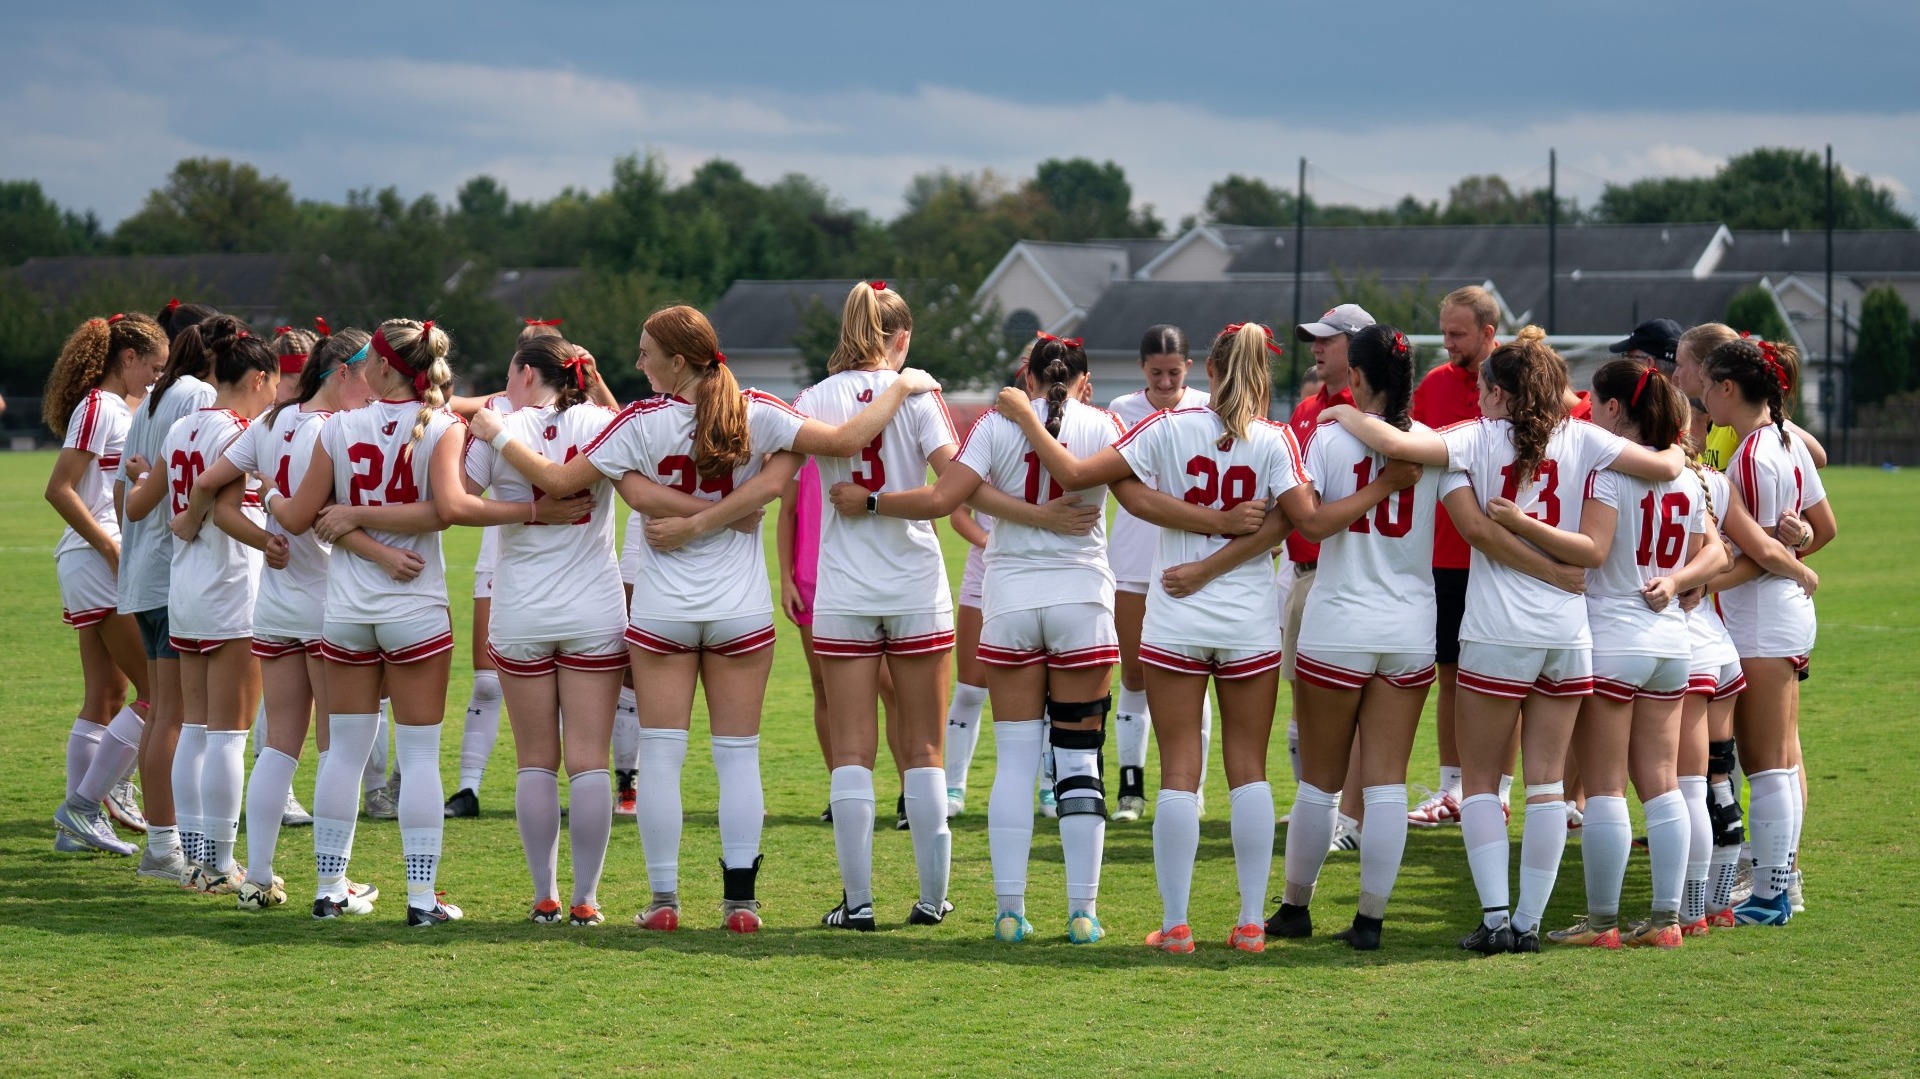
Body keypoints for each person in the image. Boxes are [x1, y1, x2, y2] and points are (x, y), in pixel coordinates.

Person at [472, 300, 944, 931]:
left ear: (677, 360)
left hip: (664, 613)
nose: (637, 362)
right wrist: (904, 384)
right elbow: (845, 441)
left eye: (645, 352)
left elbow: (562, 484)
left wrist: (497, 432)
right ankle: (740, 904)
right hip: (739, 612)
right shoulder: (758, 411)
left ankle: (664, 902)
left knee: (662, 758)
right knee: (738, 757)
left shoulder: (639, 422)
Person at [998, 322, 1395, 954]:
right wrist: (1223, 537)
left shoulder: (1167, 427)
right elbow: (1299, 522)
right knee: (1249, 772)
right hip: (1246, 622)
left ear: (1205, 372)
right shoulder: (1275, 440)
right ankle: (1246, 923)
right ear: (1260, 375)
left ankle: (1178, 923)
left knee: (1179, 771)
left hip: (1177, 613)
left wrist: (1023, 414)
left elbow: (1079, 475)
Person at [1320, 325, 1688, 954]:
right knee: (1547, 784)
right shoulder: (1588, 439)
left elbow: (1390, 439)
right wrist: (1680, 456)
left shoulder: (1475, 437)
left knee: (1484, 783)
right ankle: (1529, 922)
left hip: (1498, 633)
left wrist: (1337, 411)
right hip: (1568, 634)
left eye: (1485, 390)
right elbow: (1665, 462)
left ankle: (1496, 917)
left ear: (1494, 393)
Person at [835, 332, 1166, 943]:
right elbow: (1145, 503)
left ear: (1029, 378)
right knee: (1078, 761)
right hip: (1080, 603)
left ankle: (1009, 910)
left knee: (1014, 762)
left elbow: (941, 499)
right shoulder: (1106, 425)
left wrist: (873, 501)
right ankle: (1083, 912)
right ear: (1085, 382)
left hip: (1009, 602)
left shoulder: (995, 425)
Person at [1481, 361, 1728, 949]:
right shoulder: (1688, 477)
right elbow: (1711, 556)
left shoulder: (1610, 472)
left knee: (1608, 787)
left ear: (1620, 409)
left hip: (1614, 638)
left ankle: (1602, 923)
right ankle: (1668, 920)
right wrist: (1674, 582)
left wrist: (1521, 523)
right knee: (1664, 784)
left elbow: (1592, 550)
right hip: (1671, 640)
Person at [276, 318, 477, 926]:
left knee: (342, 756)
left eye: (367, 359)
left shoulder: (336, 427)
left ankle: (329, 889)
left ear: (385, 368)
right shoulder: (443, 425)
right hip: (415, 609)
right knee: (418, 759)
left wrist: (266, 495)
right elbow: (445, 512)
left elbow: (303, 516)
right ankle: (420, 900)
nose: (359, 366)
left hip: (347, 614)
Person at [185, 325, 386, 909]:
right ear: (342, 372)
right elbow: (323, 516)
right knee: (337, 749)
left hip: (274, 605)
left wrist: (262, 537)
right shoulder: (341, 430)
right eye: (369, 373)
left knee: (280, 747)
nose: (376, 386)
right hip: (332, 607)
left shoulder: (271, 421)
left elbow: (211, 490)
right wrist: (276, 515)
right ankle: (332, 882)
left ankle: (258, 877)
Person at [795, 281, 964, 931]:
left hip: (844, 588)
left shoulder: (816, 397)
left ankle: (858, 903)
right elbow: (951, 490)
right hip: (916, 584)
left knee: (852, 750)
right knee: (924, 748)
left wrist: (862, 501)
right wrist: (886, 500)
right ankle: (931, 898)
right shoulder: (922, 393)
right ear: (901, 339)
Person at [1270, 325, 1438, 951]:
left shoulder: (1330, 437)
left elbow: (1307, 522)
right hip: (1410, 628)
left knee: (1320, 782)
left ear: (1358, 378)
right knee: (1388, 783)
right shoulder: (1431, 444)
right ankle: (1370, 920)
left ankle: (1296, 907)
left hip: (1339, 620)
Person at [127, 322, 285, 895]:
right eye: (276, 382)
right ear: (260, 378)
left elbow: (164, 507)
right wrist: (271, 536)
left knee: (194, 728)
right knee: (229, 735)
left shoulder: (183, 426)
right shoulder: (246, 431)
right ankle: (219, 864)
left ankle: (197, 861)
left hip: (186, 589)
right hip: (233, 588)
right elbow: (226, 511)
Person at [1705, 336, 1835, 926]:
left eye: (1708, 385)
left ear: (1728, 389)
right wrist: (1796, 543)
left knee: (1766, 764)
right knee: (1777, 760)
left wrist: (1697, 584)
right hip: (1781, 611)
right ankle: (1779, 889)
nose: (1703, 396)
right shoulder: (1786, 438)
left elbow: (1755, 554)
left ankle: (1773, 894)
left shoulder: (1754, 455)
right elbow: (1819, 527)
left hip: (1761, 615)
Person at [44, 313, 168, 857]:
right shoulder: (98, 407)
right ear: (128, 358)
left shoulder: (119, 408)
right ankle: (85, 806)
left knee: (105, 696)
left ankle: (75, 830)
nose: (156, 378)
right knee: (159, 693)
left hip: (95, 564)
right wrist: (111, 547)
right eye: (153, 367)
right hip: (99, 564)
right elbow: (60, 489)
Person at [116, 301, 220, 881]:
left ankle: (162, 843)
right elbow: (195, 480)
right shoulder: (198, 399)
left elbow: (129, 486)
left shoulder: (155, 396)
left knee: (164, 714)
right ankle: (166, 847)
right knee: (178, 718)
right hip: (173, 574)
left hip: (144, 575)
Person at [1408, 286, 1509, 828]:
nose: (1447, 345)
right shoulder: (1434, 386)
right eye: (1444, 333)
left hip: (1509, 559)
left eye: (1457, 335)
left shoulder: (1521, 381)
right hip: (1446, 555)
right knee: (1450, 676)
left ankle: (1502, 789)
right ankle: (1452, 788)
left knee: (1508, 677)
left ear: (1489, 334)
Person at [1105, 325, 1211, 823]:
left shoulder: (1208, 406)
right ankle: (1131, 787)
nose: (1165, 383)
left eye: (1173, 372)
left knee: (1195, 677)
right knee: (1135, 675)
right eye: (1156, 373)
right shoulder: (1122, 411)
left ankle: (1195, 787)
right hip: (1131, 561)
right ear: (1141, 369)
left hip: (1190, 560)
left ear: (1188, 368)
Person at [1286, 303, 1375, 849]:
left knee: (1363, 708)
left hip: (1351, 573)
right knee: (1306, 702)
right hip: (1300, 572)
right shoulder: (1305, 409)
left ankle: (1352, 816)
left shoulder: (1373, 417)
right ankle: (1317, 809)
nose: (1317, 348)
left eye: (1328, 341)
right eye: (1314, 341)